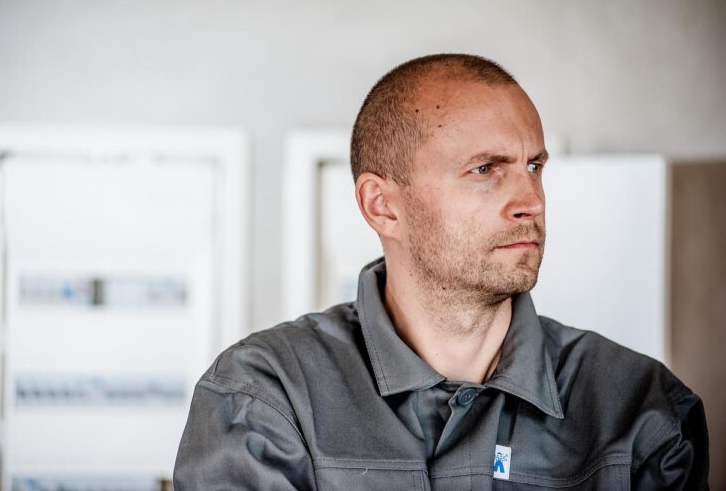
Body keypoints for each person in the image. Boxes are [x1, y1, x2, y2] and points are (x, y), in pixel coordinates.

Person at [174, 54, 709, 490]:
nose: (531, 200)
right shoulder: (268, 397)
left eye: (534, 167)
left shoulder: (641, 408)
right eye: (485, 169)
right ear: (382, 206)